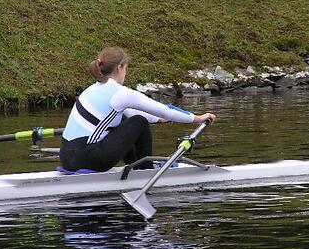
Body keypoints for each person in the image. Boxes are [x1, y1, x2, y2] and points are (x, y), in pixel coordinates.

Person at [60, 47, 216, 172]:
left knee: (124, 119)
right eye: (126, 69)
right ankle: (145, 170)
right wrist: (197, 118)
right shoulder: (120, 93)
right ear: (120, 67)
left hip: (66, 158)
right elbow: (165, 110)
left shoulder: (91, 90)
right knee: (139, 122)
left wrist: (158, 120)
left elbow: (131, 112)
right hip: (89, 159)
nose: (125, 73)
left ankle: (136, 166)